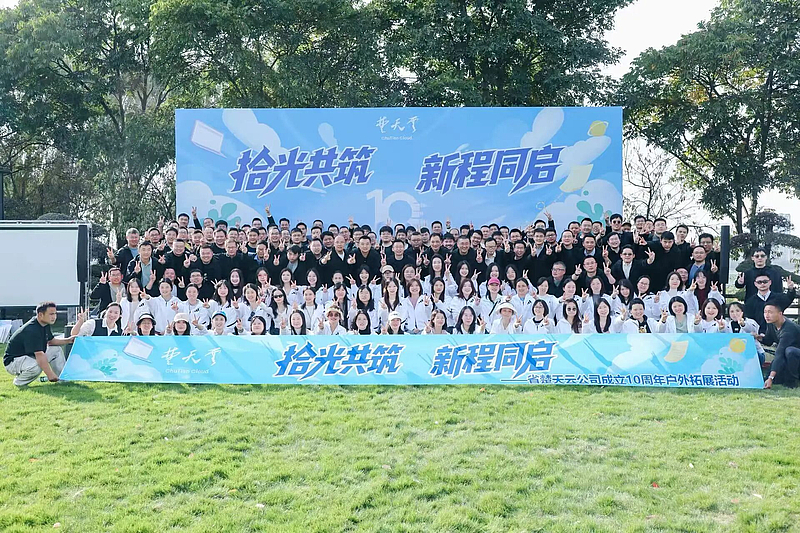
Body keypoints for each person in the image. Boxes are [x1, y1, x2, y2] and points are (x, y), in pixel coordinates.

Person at [4, 302, 75, 386]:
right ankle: (19, 382)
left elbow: (51, 341)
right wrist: (50, 375)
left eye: (55, 313)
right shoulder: (32, 330)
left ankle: (63, 379)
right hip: (13, 361)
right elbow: (39, 355)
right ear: (40, 315)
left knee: (56, 350)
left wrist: (69, 340)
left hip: (29, 356)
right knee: (36, 366)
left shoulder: (44, 324)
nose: (54, 317)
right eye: (51, 314)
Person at [762, 302, 800, 389]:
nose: (767, 315)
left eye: (770, 312)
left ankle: (792, 381)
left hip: (794, 354)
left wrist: (770, 378)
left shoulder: (788, 329)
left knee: (789, 351)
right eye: (765, 312)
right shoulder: (771, 324)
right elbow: (768, 341)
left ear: (780, 314)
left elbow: (780, 353)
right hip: (788, 357)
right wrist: (757, 337)